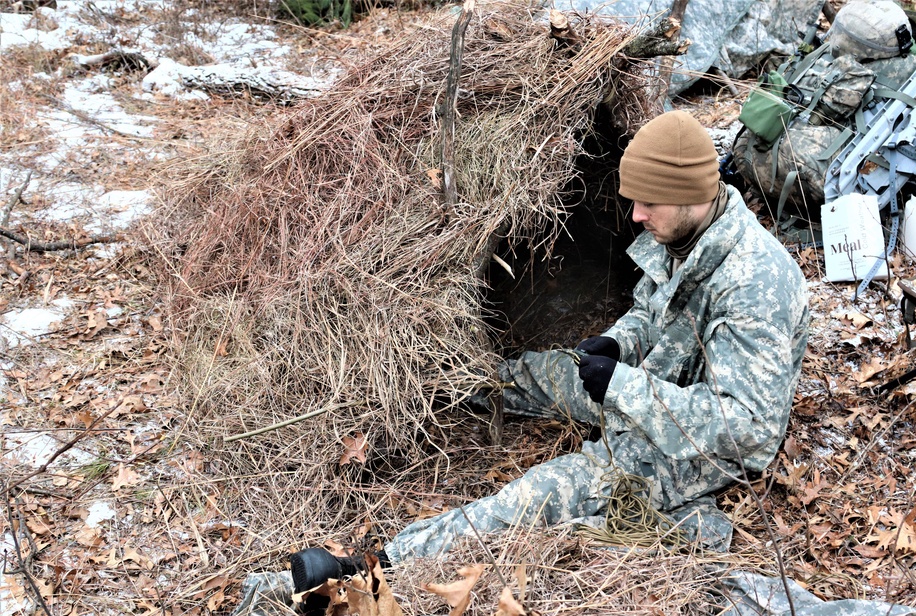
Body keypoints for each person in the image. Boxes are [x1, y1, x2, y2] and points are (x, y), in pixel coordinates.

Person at [291, 111, 810, 587]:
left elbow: (750, 431)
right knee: (545, 373)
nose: (634, 216)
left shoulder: (754, 285)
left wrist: (624, 387)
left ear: (688, 192)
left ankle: (376, 565)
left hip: (695, 444)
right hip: (653, 384)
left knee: (546, 492)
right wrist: (619, 341)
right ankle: (437, 386)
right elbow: (655, 311)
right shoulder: (683, 231)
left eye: (647, 203)